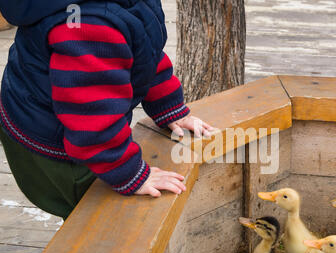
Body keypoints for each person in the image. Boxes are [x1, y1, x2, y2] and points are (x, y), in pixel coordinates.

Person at [0, 0, 214, 219]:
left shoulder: (123, 7)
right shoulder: (87, 25)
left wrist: (168, 106)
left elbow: (144, 48)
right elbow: (91, 121)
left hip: (65, 113)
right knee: (93, 218)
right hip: (53, 143)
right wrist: (130, 174)